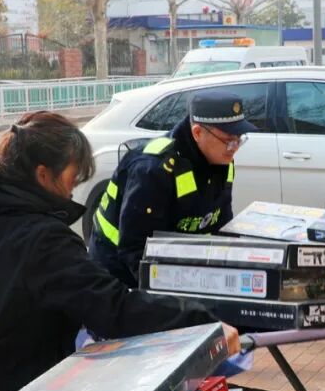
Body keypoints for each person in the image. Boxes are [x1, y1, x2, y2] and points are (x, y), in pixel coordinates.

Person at [0, 111, 240, 391]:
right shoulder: (41, 239)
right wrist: (201, 321)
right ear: (42, 174)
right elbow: (114, 309)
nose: (74, 187)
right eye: (72, 176)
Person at [89, 90, 253, 287]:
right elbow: (135, 250)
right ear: (198, 133)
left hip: (175, 264)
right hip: (117, 271)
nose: (234, 147)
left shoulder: (222, 160)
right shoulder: (153, 169)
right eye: (228, 141)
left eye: (239, 139)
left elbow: (221, 225)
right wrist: (174, 298)